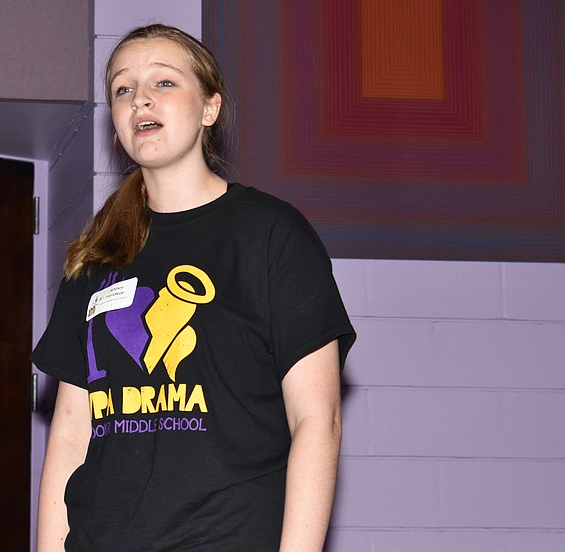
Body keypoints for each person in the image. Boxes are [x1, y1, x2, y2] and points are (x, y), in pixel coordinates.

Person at [31, 23, 355, 552]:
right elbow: (69, 432)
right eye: (123, 88)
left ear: (210, 108)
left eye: (163, 82)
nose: (139, 99)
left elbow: (318, 420)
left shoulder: (270, 234)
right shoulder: (95, 255)